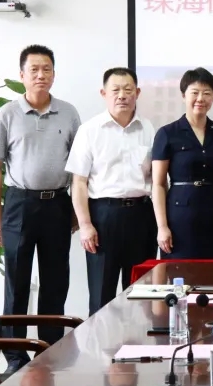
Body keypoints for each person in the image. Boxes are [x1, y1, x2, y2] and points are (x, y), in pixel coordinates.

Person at [0, 45, 81, 371]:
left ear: (54, 74)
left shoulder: (69, 113)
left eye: (47, 69)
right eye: (34, 70)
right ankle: (15, 355)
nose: (41, 75)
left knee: (56, 280)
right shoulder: (7, 114)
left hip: (57, 204)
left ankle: (49, 350)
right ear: (22, 75)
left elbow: (80, 167)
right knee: (17, 281)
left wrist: (77, 211)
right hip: (19, 204)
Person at [66, 68, 156, 315]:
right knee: (101, 295)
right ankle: (98, 342)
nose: (122, 95)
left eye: (128, 90)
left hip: (142, 216)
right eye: (115, 90)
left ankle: (139, 340)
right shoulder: (90, 130)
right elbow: (79, 183)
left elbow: (158, 180)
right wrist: (85, 224)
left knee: (141, 295)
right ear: (103, 93)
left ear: (137, 93)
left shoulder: (148, 128)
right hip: (103, 217)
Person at [151, 68, 213, 259]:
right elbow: (159, 184)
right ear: (183, 95)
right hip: (180, 218)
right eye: (195, 92)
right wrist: (162, 227)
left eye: (207, 93)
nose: (200, 98)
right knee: (179, 273)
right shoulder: (167, 133)